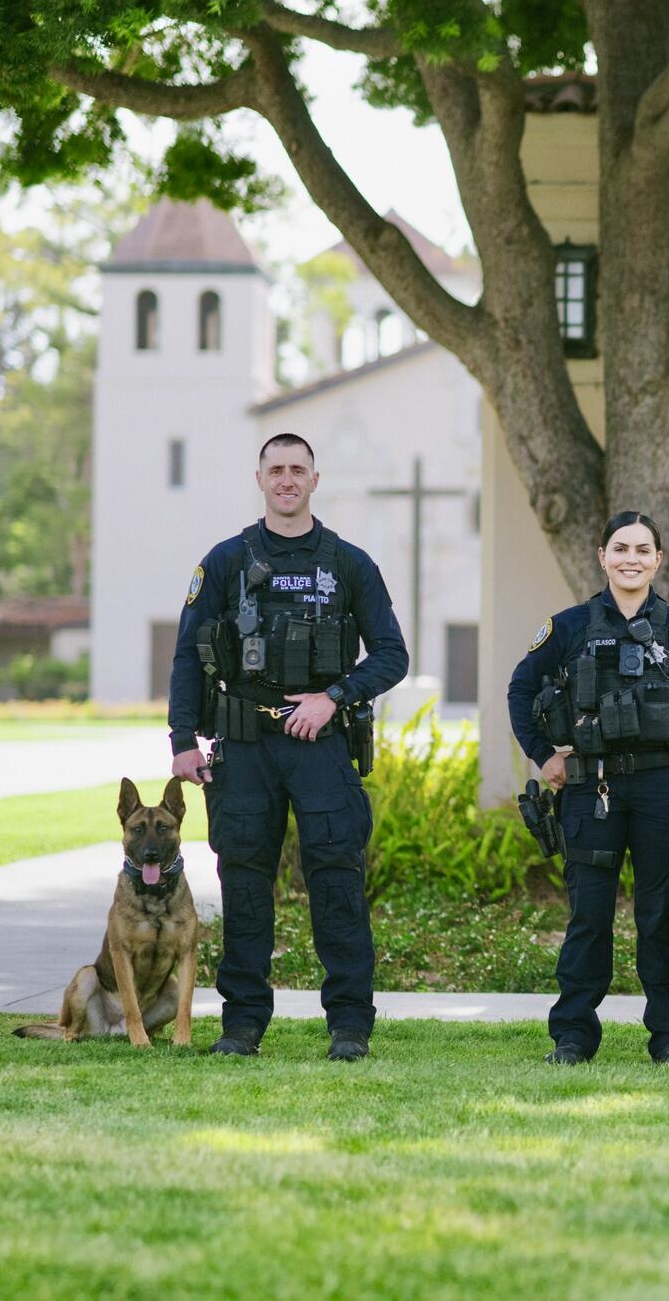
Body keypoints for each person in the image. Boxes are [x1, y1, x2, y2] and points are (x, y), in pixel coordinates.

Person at [169, 433, 407, 1061]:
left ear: (314, 479)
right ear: (260, 479)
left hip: (320, 742)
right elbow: (188, 657)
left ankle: (349, 1027)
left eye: (297, 469)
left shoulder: (349, 563)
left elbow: (392, 655)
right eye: (275, 469)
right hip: (243, 744)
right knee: (244, 882)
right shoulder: (224, 561)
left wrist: (336, 697)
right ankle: (242, 1025)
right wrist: (182, 740)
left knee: (337, 882)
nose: (286, 479)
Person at [508, 511, 669, 1066]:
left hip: (664, 791)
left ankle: (668, 1037)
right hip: (593, 789)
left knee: (661, 917)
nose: (631, 559)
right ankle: (573, 1037)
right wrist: (543, 757)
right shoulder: (567, 628)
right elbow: (520, 690)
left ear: (659, 560)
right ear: (601, 557)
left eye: (642, 550)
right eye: (620, 548)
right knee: (589, 915)